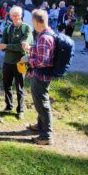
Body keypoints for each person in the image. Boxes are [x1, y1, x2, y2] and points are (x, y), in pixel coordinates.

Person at [21, 9, 56, 145]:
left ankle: (46, 136)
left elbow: (42, 61)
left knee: (42, 104)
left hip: (41, 76)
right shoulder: (48, 33)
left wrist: (27, 59)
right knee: (41, 102)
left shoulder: (44, 37)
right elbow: (41, 53)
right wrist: (30, 48)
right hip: (43, 75)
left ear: (36, 22)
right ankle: (40, 126)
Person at [0, 6, 33, 119]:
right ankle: (9, 106)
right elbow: (1, 47)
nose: (15, 18)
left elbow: (23, 48)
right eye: (13, 15)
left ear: (21, 15)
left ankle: (21, 110)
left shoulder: (27, 28)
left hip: (20, 63)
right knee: (6, 85)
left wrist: (8, 46)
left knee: (20, 87)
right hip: (7, 62)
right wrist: (13, 47)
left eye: (17, 15)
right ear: (10, 16)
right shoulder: (7, 29)